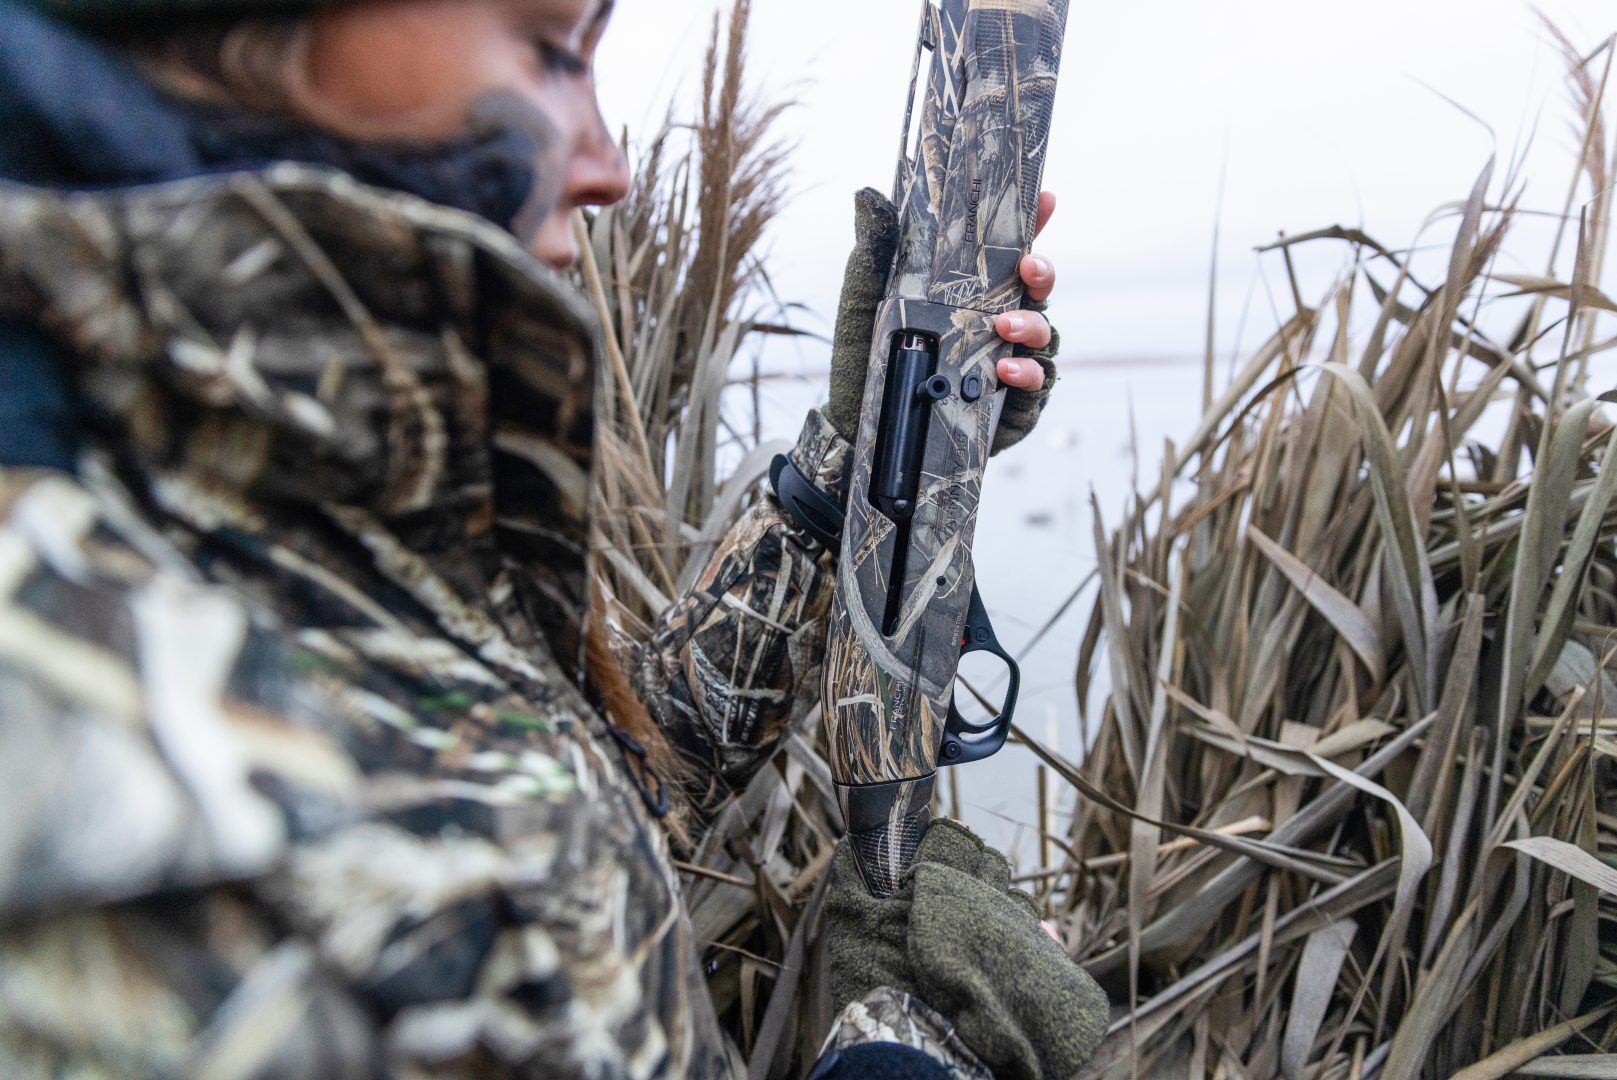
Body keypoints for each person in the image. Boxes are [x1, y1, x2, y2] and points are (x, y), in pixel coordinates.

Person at [0, 0, 1109, 1076]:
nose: (606, 167)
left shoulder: (288, 513)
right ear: (231, 45)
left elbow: (594, 790)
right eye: (547, 51)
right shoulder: (78, 753)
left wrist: (855, 466)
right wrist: (902, 1060)